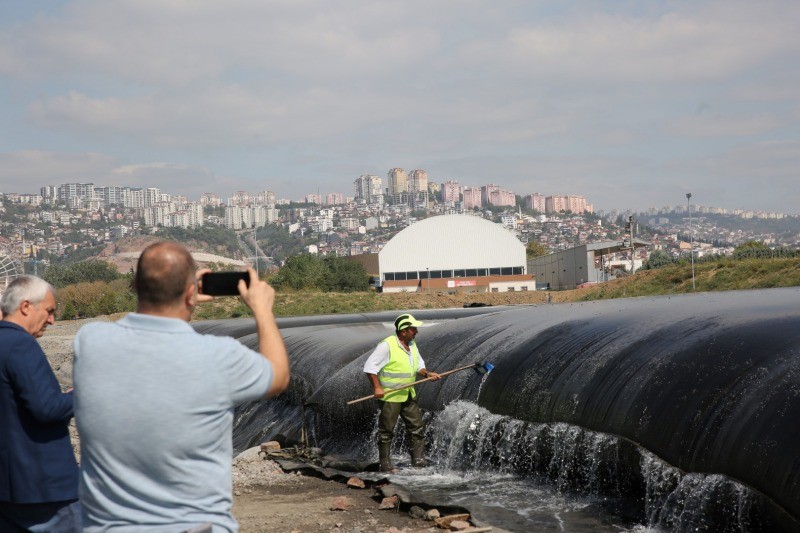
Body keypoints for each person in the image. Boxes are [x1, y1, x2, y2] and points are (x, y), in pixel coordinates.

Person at [73, 241, 290, 532]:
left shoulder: (90, 341)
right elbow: (278, 375)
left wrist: (182, 296)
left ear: (135, 285)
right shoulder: (219, 355)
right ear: (191, 293)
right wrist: (262, 311)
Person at [0, 275, 81, 532]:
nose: (52, 320)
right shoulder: (21, 345)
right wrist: (79, 397)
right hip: (44, 488)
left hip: (9, 490)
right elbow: (46, 408)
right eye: (49, 310)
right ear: (26, 306)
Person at [363, 313, 440, 472]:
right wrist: (377, 387)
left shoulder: (412, 345)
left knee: (416, 427)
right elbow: (370, 367)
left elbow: (419, 365)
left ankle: (418, 462)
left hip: (408, 394)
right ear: (404, 331)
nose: (416, 331)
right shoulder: (387, 345)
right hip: (391, 395)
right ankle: (385, 465)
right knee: (387, 431)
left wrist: (426, 374)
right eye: (413, 329)